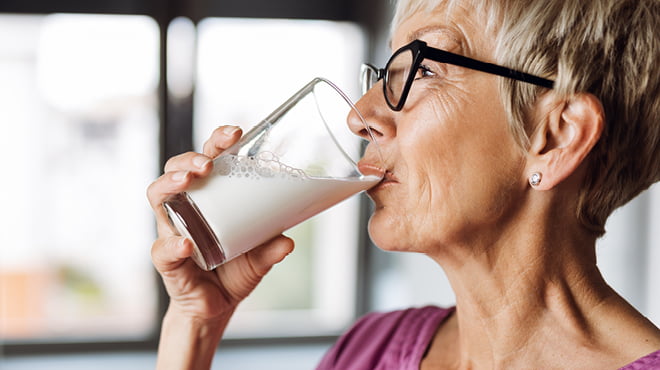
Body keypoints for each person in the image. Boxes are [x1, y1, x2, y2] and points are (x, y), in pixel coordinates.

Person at [146, 0, 660, 368]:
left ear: (556, 136)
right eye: (383, 73)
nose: (361, 115)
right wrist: (195, 324)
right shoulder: (369, 350)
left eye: (424, 69)